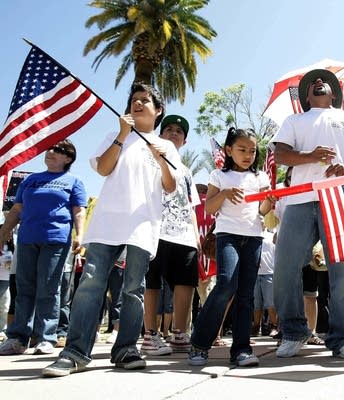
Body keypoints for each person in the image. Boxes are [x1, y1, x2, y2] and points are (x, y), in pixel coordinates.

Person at [42, 82, 181, 377]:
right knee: (91, 284)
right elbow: (103, 168)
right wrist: (121, 134)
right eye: (134, 100)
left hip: (142, 225)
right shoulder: (114, 135)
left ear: (158, 111)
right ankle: (75, 352)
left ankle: (126, 349)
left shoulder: (166, 146)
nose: (138, 104)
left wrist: (162, 162)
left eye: (145, 100)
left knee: (134, 290)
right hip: (107, 223)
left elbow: (170, 187)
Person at [270, 68, 344, 359]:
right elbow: (280, 154)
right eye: (313, 83)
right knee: (285, 267)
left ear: (334, 93)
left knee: (342, 270)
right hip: (300, 199)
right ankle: (293, 331)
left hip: (340, 196)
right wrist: (310, 157)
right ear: (306, 96)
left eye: (325, 83)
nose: (319, 83)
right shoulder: (293, 120)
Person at [188, 127, 275, 367]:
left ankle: (242, 349)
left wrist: (268, 201)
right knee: (226, 284)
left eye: (252, 151)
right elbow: (209, 209)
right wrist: (225, 193)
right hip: (228, 236)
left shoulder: (261, 178)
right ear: (228, 150)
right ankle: (199, 343)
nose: (248, 155)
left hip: (254, 237)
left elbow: (263, 212)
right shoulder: (218, 176)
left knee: (246, 295)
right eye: (242, 149)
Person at [0, 140, 86, 356]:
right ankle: (18, 338)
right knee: (24, 288)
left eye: (57, 150)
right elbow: (16, 210)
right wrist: (2, 236)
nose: (50, 152)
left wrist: (80, 236)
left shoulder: (73, 181)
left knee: (48, 287)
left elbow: (78, 211)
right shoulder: (30, 180)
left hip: (55, 240)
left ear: (68, 158)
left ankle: (46, 337)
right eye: (49, 148)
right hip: (28, 239)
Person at [142, 114, 201, 355]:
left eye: (179, 131)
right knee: (152, 282)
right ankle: (150, 334)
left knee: (185, 283)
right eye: (169, 129)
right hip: (156, 230)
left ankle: (179, 332)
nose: (174, 133)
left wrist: (196, 236)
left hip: (184, 234)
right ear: (160, 134)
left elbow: (191, 205)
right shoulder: (148, 160)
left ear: (184, 141)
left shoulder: (186, 171)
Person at [252, 230, 278, 338]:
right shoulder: (254, 231)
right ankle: (256, 327)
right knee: (256, 304)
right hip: (255, 273)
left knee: (270, 303)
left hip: (269, 272)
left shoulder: (273, 233)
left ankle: (274, 326)